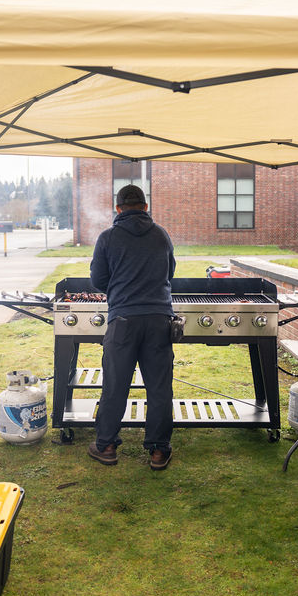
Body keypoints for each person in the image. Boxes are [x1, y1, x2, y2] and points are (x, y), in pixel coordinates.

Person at [87, 184, 176, 470]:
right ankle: (158, 451)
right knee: (159, 388)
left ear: (118, 209)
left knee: (115, 385)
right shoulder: (162, 235)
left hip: (123, 321)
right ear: (145, 207)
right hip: (159, 320)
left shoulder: (108, 237)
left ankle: (107, 446)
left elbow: (98, 280)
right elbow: (169, 273)